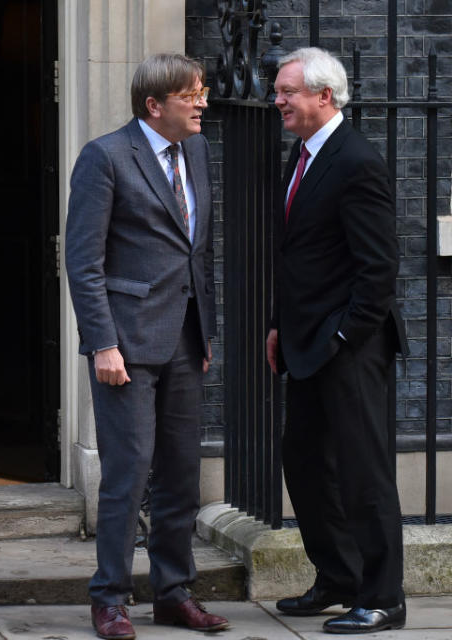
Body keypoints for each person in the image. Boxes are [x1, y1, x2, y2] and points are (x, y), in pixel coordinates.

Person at [65, 53, 229, 639]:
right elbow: (83, 263)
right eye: (192, 95)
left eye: (203, 91)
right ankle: (109, 597)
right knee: (128, 474)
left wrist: (203, 331)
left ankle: (172, 592)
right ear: (154, 105)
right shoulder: (105, 157)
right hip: (127, 345)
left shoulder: (199, 152)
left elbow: (198, 252)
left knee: (182, 472)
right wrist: (102, 343)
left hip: (184, 338)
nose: (203, 102)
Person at [264, 47, 408, 634]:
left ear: (324, 96)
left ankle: (383, 597)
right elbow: (299, 257)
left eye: (286, 92)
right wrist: (279, 323)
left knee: (362, 471)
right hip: (305, 340)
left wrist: (346, 335)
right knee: (303, 460)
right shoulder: (301, 156)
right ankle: (339, 578)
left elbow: (379, 269)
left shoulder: (357, 162)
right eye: (278, 91)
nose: (277, 101)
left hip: (349, 345)